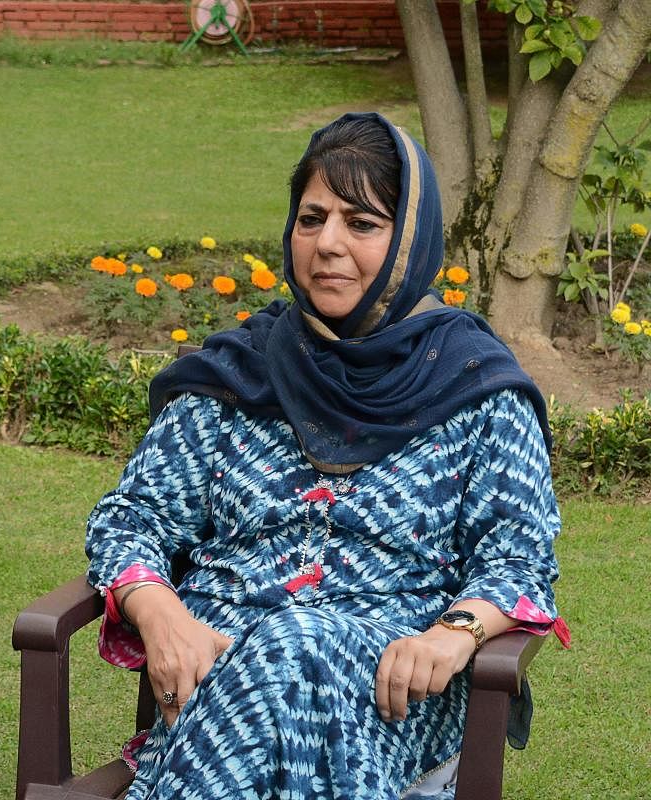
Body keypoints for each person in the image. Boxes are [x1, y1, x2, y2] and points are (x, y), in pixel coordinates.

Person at [84, 113, 570, 800]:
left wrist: (452, 635)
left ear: (409, 239)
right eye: (311, 219)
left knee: (298, 641)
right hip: (216, 681)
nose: (327, 244)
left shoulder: (476, 389)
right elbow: (131, 517)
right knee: (283, 653)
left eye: (362, 224)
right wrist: (160, 613)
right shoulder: (238, 373)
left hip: (391, 702)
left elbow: (518, 558)